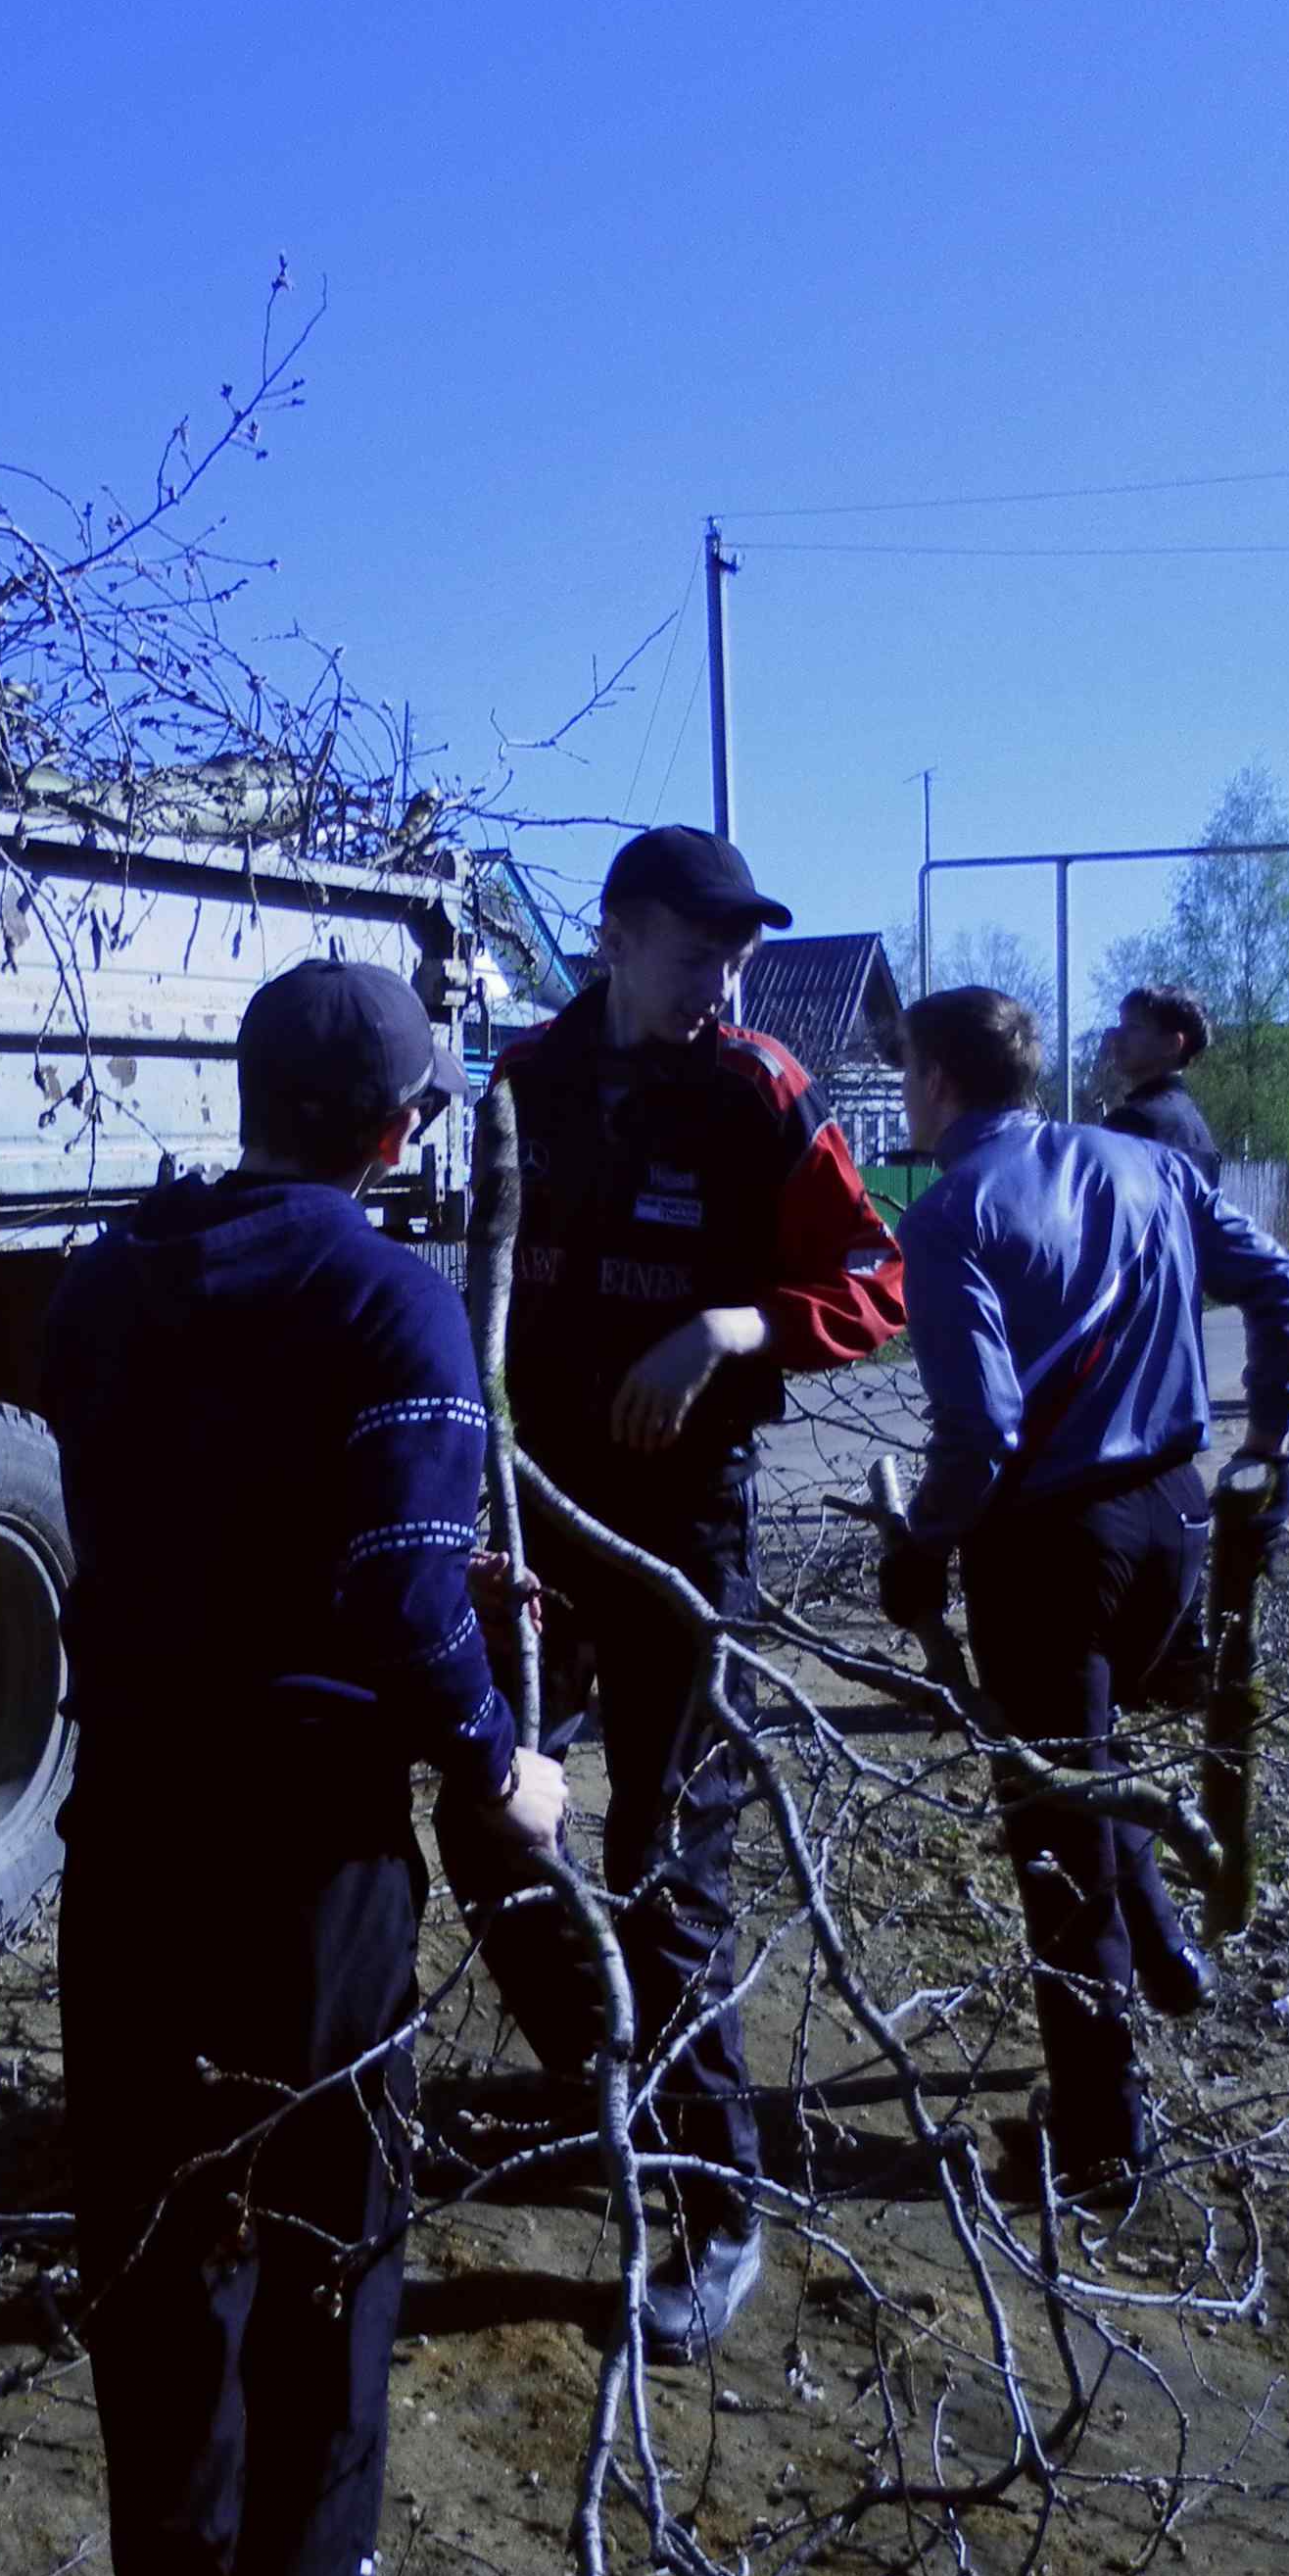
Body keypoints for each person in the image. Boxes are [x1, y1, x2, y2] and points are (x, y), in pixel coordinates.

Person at [41, 958, 567, 2576]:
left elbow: (200, 1512)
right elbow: (408, 1618)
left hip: (126, 1842)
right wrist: (505, 1766)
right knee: (328, 2273)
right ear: (403, 1124)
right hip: (305, 1866)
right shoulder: (392, 1302)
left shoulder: (101, 1287)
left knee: (160, 2261)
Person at [495, 824, 906, 2361]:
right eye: (694, 947)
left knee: (666, 1864)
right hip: (533, 1527)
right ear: (614, 937)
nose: (723, 975)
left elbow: (877, 1277)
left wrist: (737, 1323)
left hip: (686, 1538)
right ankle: (600, 2081)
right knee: (491, 1809)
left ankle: (717, 2211)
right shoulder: (522, 1089)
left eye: (736, 950)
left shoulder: (760, 1093)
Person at [883, 987, 1289, 2197]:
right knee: (1089, 1756)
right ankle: (1171, 1955)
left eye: (909, 1073)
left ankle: (1105, 2138)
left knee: (1056, 1841)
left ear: (939, 1083)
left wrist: (921, 1545)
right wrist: (1268, 1447)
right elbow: (1280, 1287)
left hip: (1051, 1552)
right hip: (1173, 1519)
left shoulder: (951, 1213)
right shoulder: (1143, 1165)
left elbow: (978, 1430)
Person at [1097, 985, 1223, 1186]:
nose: (1116, 1036)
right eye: (1119, 1025)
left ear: (1172, 1045)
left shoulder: (1132, 1122)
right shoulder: (1198, 1130)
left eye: (1133, 1027)